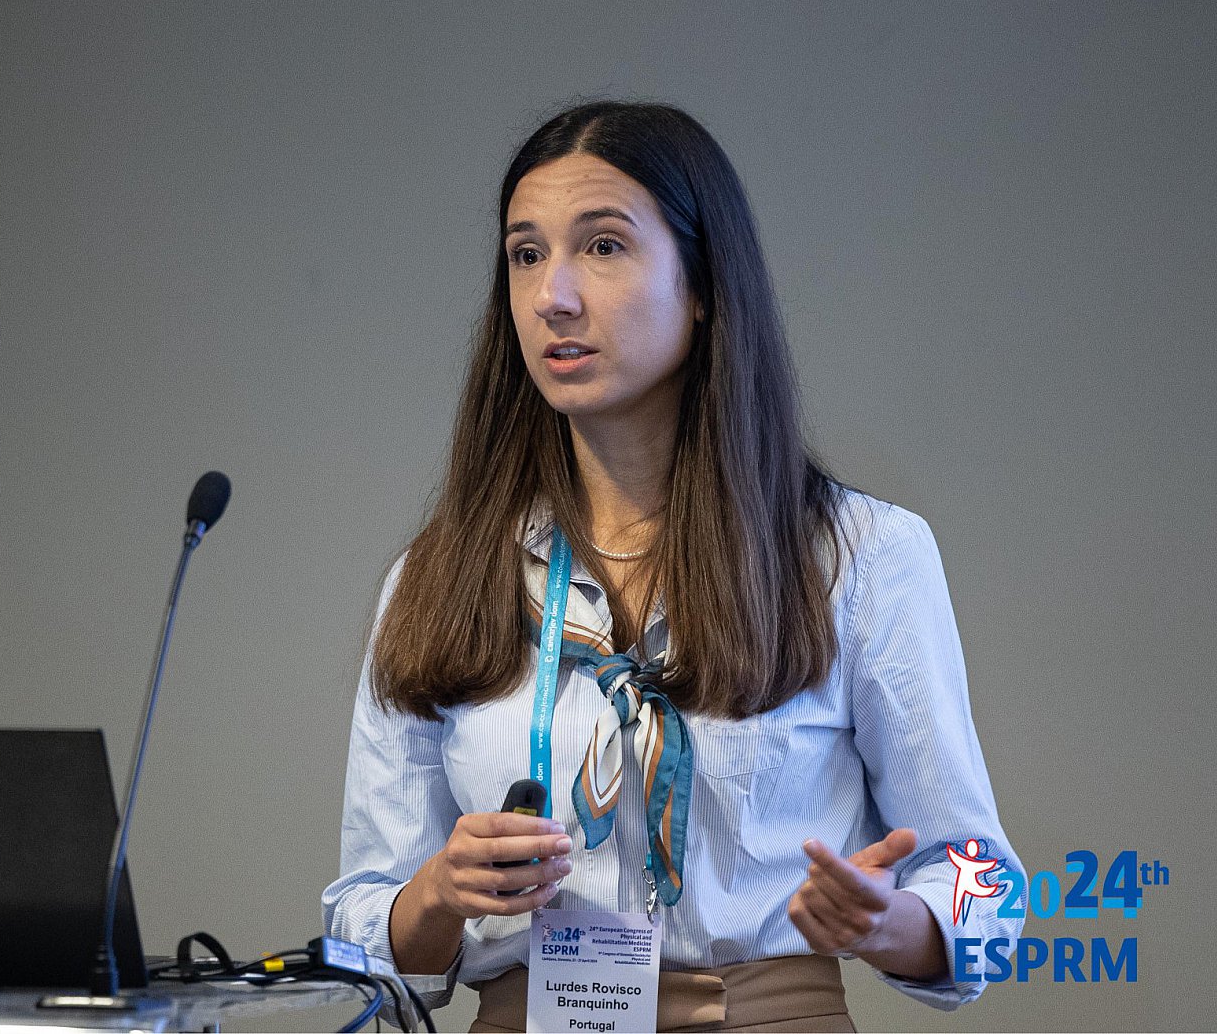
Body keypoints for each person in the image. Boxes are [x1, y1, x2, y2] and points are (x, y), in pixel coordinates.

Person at [322, 100, 1024, 1032]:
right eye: (525, 254)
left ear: (702, 285)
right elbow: (359, 925)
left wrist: (895, 923)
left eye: (603, 246)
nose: (552, 296)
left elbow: (984, 883)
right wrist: (438, 895)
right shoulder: (439, 576)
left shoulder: (860, 555)